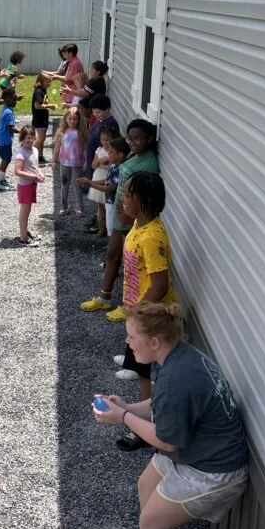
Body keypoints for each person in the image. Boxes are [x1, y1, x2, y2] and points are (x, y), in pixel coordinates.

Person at [93, 301, 248, 529]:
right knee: (147, 483)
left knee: (151, 523)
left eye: (132, 336)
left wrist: (123, 417)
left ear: (153, 341)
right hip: (197, 449)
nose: (128, 342)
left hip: (214, 470)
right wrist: (128, 406)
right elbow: (159, 405)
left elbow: (165, 441)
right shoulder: (175, 355)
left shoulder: (178, 377)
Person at [110, 171, 177, 451]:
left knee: (148, 373)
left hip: (151, 319)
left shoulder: (151, 236)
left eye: (128, 195)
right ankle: (146, 416)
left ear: (145, 201)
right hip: (139, 313)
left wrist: (139, 315)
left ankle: (148, 426)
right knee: (141, 369)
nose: (123, 199)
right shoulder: (139, 224)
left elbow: (160, 284)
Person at [80, 119, 159, 313]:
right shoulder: (134, 154)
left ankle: (129, 306)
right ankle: (104, 297)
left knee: (130, 262)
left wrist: (130, 216)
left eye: (137, 139)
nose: (132, 142)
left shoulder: (149, 163)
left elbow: (144, 194)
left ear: (149, 139)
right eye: (130, 138)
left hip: (131, 216)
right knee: (112, 254)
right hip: (120, 210)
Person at [77, 132, 129, 237]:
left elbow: (110, 188)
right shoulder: (115, 165)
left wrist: (91, 184)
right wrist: (90, 181)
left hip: (114, 204)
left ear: (120, 155)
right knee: (109, 224)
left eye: (111, 152)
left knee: (113, 228)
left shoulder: (120, 169)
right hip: (110, 202)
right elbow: (107, 180)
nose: (108, 153)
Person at [82, 95, 120, 231]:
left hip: (104, 168)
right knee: (98, 201)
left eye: (98, 112)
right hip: (95, 162)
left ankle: (102, 224)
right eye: (94, 112)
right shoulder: (99, 121)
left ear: (107, 109)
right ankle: (98, 220)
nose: (96, 114)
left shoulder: (110, 124)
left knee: (103, 200)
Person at [52, 106, 88, 216]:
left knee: (77, 185)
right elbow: (57, 147)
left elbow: (85, 148)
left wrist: (86, 161)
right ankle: (64, 206)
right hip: (64, 162)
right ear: (65, 119)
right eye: (70, 118)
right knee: (64, 184)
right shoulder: (62, 132)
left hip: (77, 163)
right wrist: (53, 160)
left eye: (75, 119)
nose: (72, 121)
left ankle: (80, 207)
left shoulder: (81, 132)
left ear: (79, 120)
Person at [13, 125, 45, 247]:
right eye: (26, 138)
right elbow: (17, 171)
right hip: (25, 185)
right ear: (21, 139)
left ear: (35, 138)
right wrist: (33, 177)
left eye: (31, 137)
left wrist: (40, 173)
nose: (29, 140)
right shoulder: (21, 153)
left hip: (31, 184)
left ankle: (25, 232)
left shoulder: (35, 150)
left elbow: (35, 166)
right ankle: (23, 238)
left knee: (28, 209)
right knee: (25, 211)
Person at [0, 88, 19, 192]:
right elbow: (10, 128)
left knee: (6, 158)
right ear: (6, 99)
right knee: (6, 159)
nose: (15, 101)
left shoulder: (6, 108)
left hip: (2, 138)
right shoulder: (8, 112)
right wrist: (23, 132)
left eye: (16, 99)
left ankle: (1, 179)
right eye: (13, 99)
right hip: (5, 139)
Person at [30, 72, 58, 165]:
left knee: (42, 139)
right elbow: (37, 106)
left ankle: (40, 157)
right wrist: (50, 106)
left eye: (50, 81)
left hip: (43, 118)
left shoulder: (43, 90)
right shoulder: (39, 91)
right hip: (39, 119)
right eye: (47, 81)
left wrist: (48, 106)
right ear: (41, 81)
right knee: (40, 139)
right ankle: (28, 155)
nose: (49, 83)